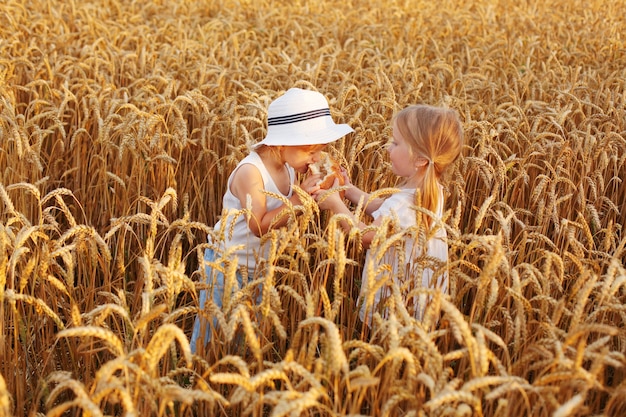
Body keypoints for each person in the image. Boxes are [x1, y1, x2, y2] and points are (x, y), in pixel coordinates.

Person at [190, 87, 354, 353]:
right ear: (281, 142)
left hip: (262, 266)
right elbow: (259, 225)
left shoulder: (289, 165)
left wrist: (333, 187)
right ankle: (192, 376)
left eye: (320, 151)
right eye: (310, 151)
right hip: (226, 266)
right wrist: (301, 198)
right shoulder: (250, 172)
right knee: (212, 335)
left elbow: (303, 203)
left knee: (247, 337)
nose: (316, 159)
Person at [314, 104, 463, 324]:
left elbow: (368, 237)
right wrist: (350, 191)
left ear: (420, 159)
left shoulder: (406, 202)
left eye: (395, 143)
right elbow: (385, 207)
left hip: (396, 301)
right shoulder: (428, 190)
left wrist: (336, 205)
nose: (387, 147)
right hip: (417, 294)